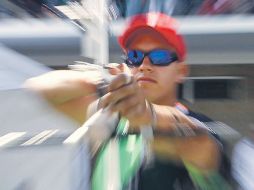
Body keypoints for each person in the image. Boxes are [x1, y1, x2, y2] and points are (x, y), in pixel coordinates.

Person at [24, 12, 221, 189]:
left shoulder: (201, 126)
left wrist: (146, 114)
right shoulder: (109, 116)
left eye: (159, 57)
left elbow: (193, 143)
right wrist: (103, 81)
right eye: (135, 56)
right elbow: (42, 88)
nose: (144, 66)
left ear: (181, 71)